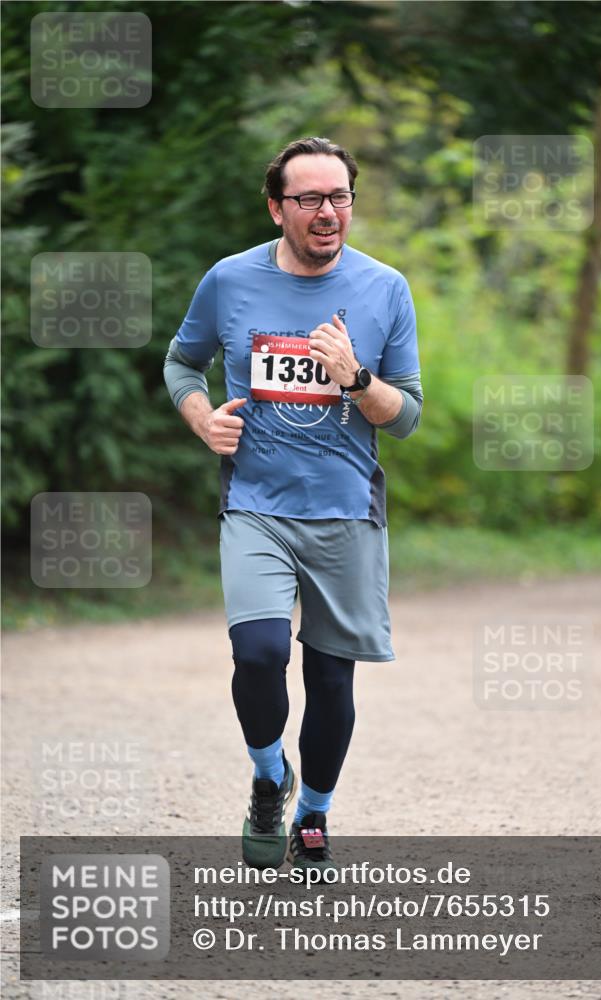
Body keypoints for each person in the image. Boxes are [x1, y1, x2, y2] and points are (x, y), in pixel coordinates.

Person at [163, 137, 422, 875]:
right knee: (259, 652)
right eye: (308, 198)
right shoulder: (229, 280)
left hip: (345, 510)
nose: (326, 212)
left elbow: (404, 415)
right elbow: (182, 360)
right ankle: (269, 775)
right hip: (256, 502)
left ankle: (313, 815)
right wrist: (200, 416)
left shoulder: (384, 289)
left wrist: (355, 377)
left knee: (331, 678)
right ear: (276, 207)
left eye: (338, 196)